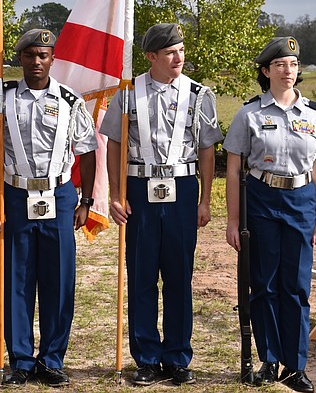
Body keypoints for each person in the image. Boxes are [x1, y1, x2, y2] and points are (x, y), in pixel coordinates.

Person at [0, 28, 97, 388]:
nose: (37, 62)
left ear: (52, 59)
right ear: (20, 59)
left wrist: (86, 200)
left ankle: (52, 359)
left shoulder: (71, 100)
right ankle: (22, 361)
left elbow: (87, 152)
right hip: (16, 196)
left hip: (58, 197)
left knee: (58, 281)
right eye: (30, 56)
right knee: (18, 281)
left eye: (43, 55)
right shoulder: (2, 99)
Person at [102, 23, 223, 386]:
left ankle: (177, 357)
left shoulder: (199, 95)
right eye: (170, 52)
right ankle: (147, 358)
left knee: (178, 277)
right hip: (140, 188)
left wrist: (205, 199)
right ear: (151, 56)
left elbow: (207, 149)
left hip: (182, 188)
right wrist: (116, 194)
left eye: (181, 51)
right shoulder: (127, 94)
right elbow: (114, 144)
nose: (179, 58)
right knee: (141, 276)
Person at [223, 36, 316, 393]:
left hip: (301, 200)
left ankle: (295, 366)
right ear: (266, 71)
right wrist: (234, 221)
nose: (288, 71)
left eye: (294, 65)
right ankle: (269, 360)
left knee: (297, 288)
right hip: (262, 200)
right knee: (265, 284)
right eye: (281, 65)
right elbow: (234, 168)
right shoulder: (249, 113)